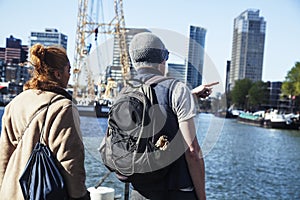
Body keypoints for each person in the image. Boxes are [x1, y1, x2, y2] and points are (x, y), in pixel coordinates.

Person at [127, 32, 216, 200]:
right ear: (162, 58)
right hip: (176, 192)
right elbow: (192, 152)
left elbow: (154, 105)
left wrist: (190, 95)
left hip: (139, 193)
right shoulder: (176, 89)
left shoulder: (125, 92)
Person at [0, 44, 90, 200]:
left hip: (11, 191)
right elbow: (70, 162)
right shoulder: (63, 107)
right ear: (57, 74)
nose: (70, 76)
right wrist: (81, 196)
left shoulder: (15, 103)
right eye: (68, 71)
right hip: (43, 194)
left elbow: (4, 156)